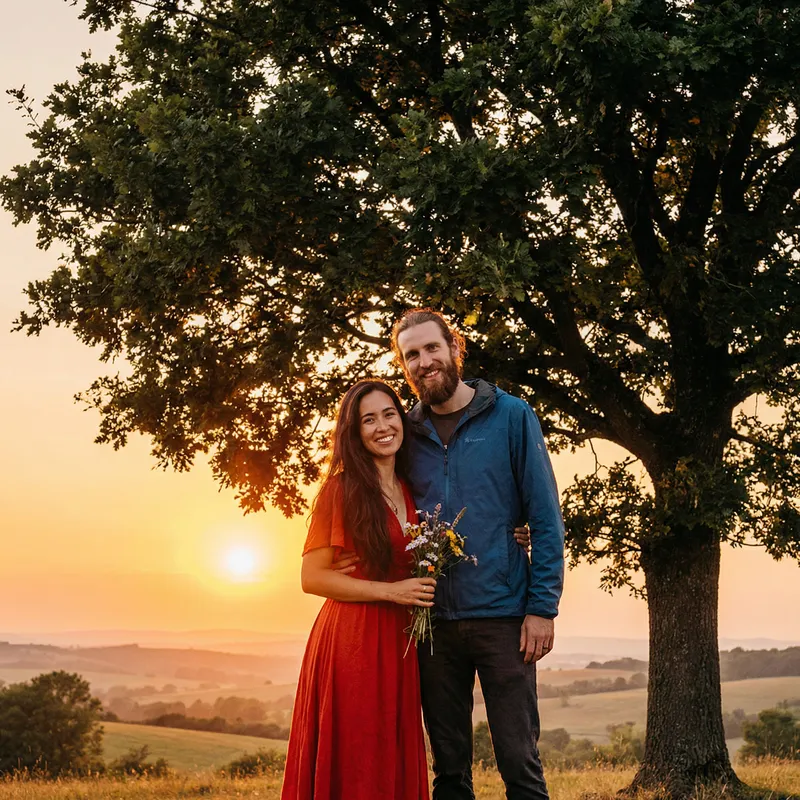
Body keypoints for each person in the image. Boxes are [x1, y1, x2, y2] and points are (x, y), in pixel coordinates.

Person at [391, 308, 566, 800]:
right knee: (448, 772)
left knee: (520, 765)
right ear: (404, 366)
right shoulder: (405, 433)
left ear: (454, 347)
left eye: (432, 348)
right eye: (412, 355)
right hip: (432, 625)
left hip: (505, 618)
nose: (424, 362)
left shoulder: (511, 415)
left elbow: (546, 519)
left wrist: (541, 608)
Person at [280, 380, 434, 800]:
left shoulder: (410, 486)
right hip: (353, 641)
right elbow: (312, 578)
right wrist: (391, 592)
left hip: (398, 643)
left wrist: (518, 532)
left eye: (389, 414)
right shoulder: (341, 489)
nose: (383, 426)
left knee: (388, 749)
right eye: (369, 419)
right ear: (354, 431)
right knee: (357, 751)